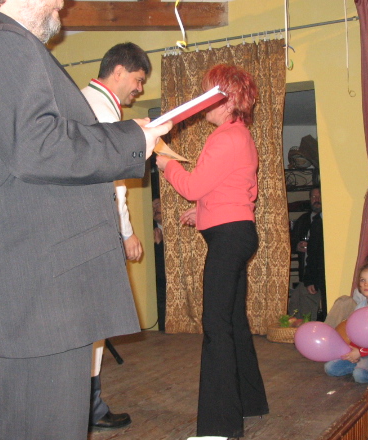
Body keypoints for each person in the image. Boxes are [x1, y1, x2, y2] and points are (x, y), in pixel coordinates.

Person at [0, 0, 171, 439]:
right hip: (38, 299)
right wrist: (131, 140)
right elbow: (38, 147)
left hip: (40, 293)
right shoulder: (2, 44)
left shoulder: (5, 45)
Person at [156, 64, 268, 440]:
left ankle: (220, 426)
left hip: (229, 239)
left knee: (216, 327)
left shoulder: (225, 138)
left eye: (208, 93)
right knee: (233, 322)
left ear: (227, 98)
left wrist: (167, 164)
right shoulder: (239, 135)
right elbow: (238, 191)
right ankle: (250, 402)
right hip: (236, 232)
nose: (202, 101)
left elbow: (192, 186)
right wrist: (202, 212)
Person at [81, 41, 151, 430]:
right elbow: (113, 182)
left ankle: (86, 407)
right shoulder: (104, 111)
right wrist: (126, 232)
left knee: (88, 325)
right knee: (95, 323)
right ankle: (89, 410)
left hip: (80, 229)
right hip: (98, 231)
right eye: (138, 80)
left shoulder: (80, 100)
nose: (139, 89)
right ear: (119, 71)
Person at [324, 262, 368, 383]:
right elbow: (354, 333)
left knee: (360, 376)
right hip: (360, 351)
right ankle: (359, 364)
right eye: (362, 280)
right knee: (330, 368)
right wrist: (352, 351)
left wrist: (362, 352)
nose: (366, 284)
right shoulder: (360, 307)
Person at [288, 186, 325, 321]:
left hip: (321, 273)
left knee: (314, 309)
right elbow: (291, 242)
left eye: (319, 196)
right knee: (297, 303)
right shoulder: (303, 220)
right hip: (306, 272)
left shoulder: (327, 220)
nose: (317, 199)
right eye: (313, 197)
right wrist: (297, 246)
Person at [152, 197, 167, 331]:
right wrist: (158, 244)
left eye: (157, 205)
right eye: (152, 208)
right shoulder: (150, 230)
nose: (155, 209)